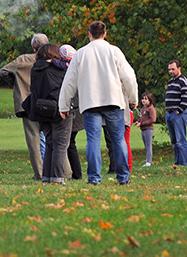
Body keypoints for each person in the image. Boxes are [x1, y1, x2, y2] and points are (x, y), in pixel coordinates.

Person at [58, 21, 138, 186]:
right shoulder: (114, 51)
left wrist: (64, 106)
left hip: (90, 102)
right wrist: (133, 99)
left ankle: (94, 178)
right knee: (118, 139)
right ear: (105, 33)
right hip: (113, 100)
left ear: (89, 34)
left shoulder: (81, 54)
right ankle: (123, 177)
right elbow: (129, 77)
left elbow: (69, 82)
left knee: (93, 140)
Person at [0, 33, 48, 181]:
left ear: (33, 46)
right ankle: (64, 172)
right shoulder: (52, 58)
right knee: (55, 139)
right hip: (49, 102)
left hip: (27, 102)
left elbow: (3, 71)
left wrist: (17, 84)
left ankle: (39, 174)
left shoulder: (23, 59)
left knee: (33, 140)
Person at [26, 43, 71, 184]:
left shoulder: (35, 69)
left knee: (50, 143)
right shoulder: (57, 70)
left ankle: (46, 176)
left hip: (41, 110)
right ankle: (57, 177)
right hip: (59, 109)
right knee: (61, 145)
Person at [59, 44, 83, 180]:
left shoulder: (66, 70)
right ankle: (75, 172)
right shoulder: (79, 68)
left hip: (71, 109)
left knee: (68, 143)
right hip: (78, 108)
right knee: (70, 142)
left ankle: (74, 173)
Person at [165, 59, 187, 166]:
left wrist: (178, 111)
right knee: (174, 141)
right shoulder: (171, 82)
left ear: (179, 69)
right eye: (169, 69)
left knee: (181, 140)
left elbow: (185, 99)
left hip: (179, 114)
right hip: (170, 114)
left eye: (173, 69)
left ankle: (184, 163)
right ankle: (177, 161)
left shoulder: (183, 81)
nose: (171, 71)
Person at [136, 92, 157, 167]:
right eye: (142, 99)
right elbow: (141, 118)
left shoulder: (151, 109)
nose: (143, 100)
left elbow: (153, 119)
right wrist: (138, 121)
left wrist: (142, 123)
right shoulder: (142, 109)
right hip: (143, 129)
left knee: (148, 145)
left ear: (150, 100)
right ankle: (147, 160)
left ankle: (149, 162)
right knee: (146, 146)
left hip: (148, 129)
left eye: (146, 99)